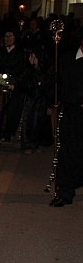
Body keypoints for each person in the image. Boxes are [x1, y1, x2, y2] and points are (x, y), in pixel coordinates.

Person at [49, 30, 83, 207]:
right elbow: (56, 83)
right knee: (68, 152)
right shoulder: (66, 60)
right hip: (72, 113)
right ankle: (65, 192)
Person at [0, 28, 27, 143]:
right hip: (0, 84)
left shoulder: (21, 53)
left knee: (12, 111)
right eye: (6, 36)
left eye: (10, 36)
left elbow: (23, 70)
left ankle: (8, 133)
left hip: (14, 85)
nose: (8, 39)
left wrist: (14, 82)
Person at [18, 48, 53, 154]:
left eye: (33, 56)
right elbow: (24, 85)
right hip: (30, 100)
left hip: (41, 101)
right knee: (28, 122)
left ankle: (36, 143)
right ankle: (27, 145)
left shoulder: (45, 72)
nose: (30, 59)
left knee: (39, 122)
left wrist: (49, 105)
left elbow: (49, 88)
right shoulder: (28, 71)